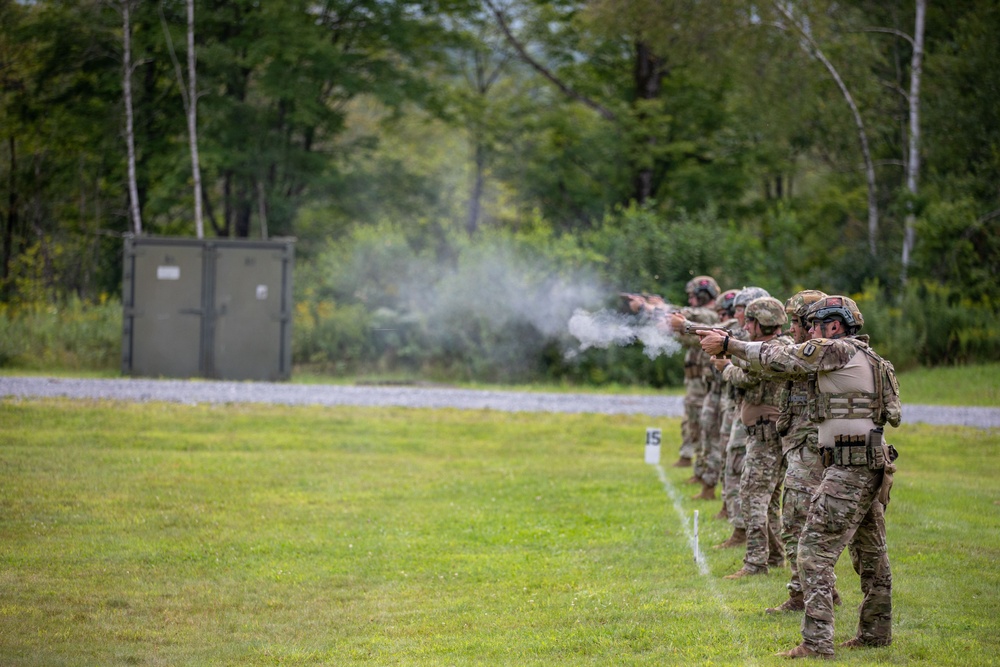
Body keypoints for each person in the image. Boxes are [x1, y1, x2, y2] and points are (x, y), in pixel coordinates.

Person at [697, 295, 901, 659]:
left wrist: (730, 345)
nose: (807, 333)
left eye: (814, 326)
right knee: (872, 554)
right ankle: (875, 634)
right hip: (867, 461)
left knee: (811, 552)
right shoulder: (863, 354)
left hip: (850, 465)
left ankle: (817, 643)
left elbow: (781, 357)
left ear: (834, 326)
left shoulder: (837, 350)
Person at [766, 290, 842, 614]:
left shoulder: (817, 353)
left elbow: (777, 359)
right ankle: (818, 590)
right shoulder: (804, 350)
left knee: (797, 520)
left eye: (798, 322)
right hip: (799, 445)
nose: (795, 330)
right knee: (801, 521)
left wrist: (732, 349)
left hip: (811, 447)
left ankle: (803, 594)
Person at [717, 296, 792, 578]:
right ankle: (773, 557)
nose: (746, 325)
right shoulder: (780, 347)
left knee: (751, 495)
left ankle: (755, 562)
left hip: (766, 435)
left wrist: (724, 366)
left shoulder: (773, 350)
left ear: (764, 323)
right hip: (768, 433)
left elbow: (747, 376)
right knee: (770, 500)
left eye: (750, 320)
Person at [712, 286, 769, 549]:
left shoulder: (764, 344)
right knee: (738, 469)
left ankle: (747, 535)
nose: (737, 315)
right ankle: (741, 528)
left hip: (762, 420)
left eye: (742, 310)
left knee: (748, 478)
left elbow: (749, 376)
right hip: (748, 413)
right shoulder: (746, 336)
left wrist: (726, 368)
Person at [670, 276, 720, 470]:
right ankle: (697, 464)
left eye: (693, 296)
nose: (690, 300)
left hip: (704, 382)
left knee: (703, 424)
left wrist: (653, 309)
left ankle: (703, 467)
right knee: (692, 421)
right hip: (695, 380)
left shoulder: (711, 315)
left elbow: (693, 318)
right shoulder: (698, 317)